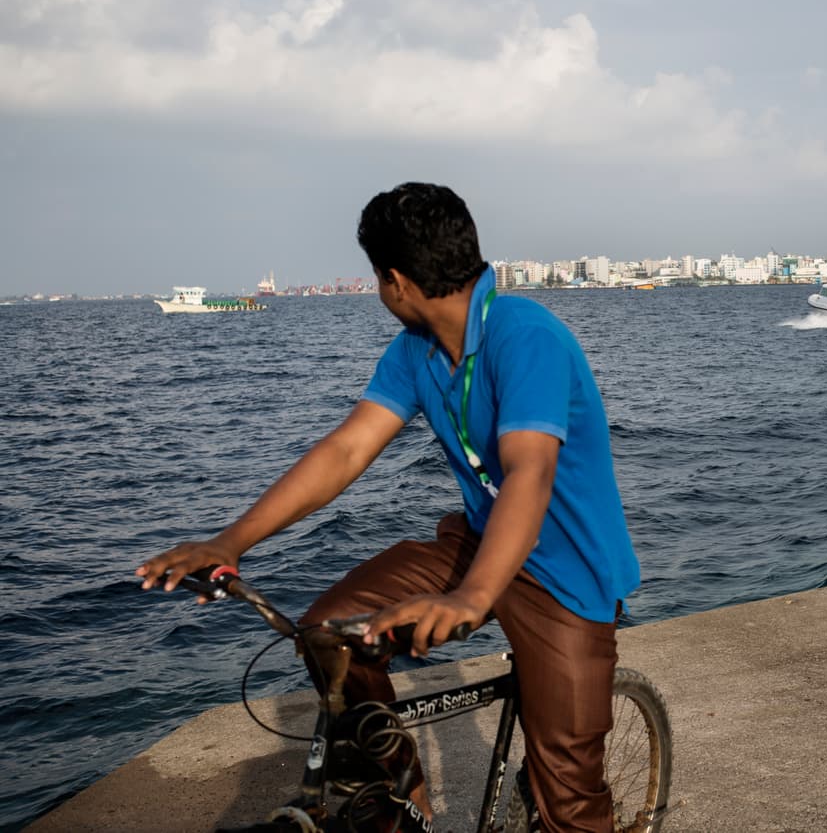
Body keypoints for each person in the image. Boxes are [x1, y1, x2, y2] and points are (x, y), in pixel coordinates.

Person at [136, 182, 641, 832]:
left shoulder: (526, 335)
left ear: (396, 281)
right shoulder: (417, 353)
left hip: (568, 579)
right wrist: (233, 541)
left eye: (377, 276)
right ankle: (403, 800)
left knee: (571, 804)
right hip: (480, 546)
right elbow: (346, 450)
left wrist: (471, 596)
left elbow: (529, 471)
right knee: (331, 634)